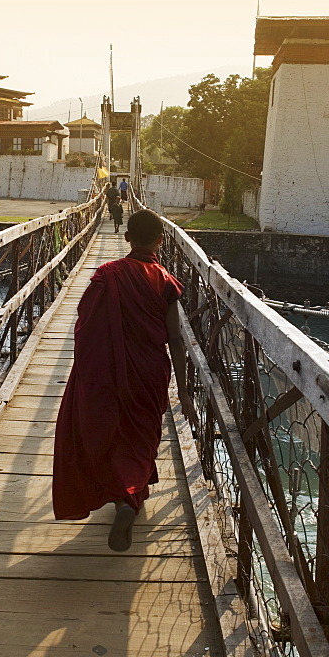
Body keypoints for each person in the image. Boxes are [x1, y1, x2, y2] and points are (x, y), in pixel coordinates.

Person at [52, 209, 189, 551]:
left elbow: (84, 327)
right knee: (141, 435)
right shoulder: (164, 281)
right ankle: (130, 499)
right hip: (149, 374)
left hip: (108, 374)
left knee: (114, 434)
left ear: (126, 238)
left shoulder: (107, 275)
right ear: (161, 240)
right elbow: (176, 338)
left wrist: (87, 372)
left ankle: (123, 498)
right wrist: (184, 389)